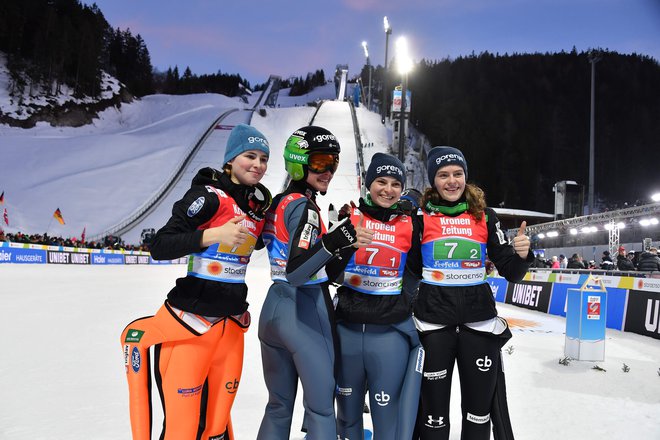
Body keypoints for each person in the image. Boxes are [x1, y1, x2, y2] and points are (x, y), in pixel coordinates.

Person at [120, 124, 272, 440]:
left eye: (263, 158)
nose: (257, 164)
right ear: (230, 160)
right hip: (191, 324)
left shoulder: (255, 208)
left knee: (216, 427)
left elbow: (260, 240)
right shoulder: (208, 197)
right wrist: (212, 235)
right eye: (250, 156)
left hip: (231, 327)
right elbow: (160, 245)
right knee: (183, 431)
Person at [409, 146, 533, 440]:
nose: (451, 181)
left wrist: (523, 255)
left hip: (478, 324)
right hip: (433, 325)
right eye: (443, 175)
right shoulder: (420, 218)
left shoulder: (485, 216)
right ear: (433, 181)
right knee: (432, 416)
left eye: (457, 173)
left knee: (479, 416)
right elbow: (410, 271)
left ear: (466, 176)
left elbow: (512, 272)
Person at [257, 126, 360, 440]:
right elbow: (298, 271)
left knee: (278, 406)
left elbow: (263, 245)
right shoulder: (306, 207)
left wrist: (339, 250)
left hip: (273, 307)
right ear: (299, 162)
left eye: (334, 163)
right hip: (304, 310)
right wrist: (335, 241)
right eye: (319, 163)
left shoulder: (279, 201)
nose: (328, 171)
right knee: (320, 409)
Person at [334, 153, 424, 440]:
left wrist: (403, 298)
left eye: (396, 183)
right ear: (369, 185)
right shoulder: (351, 218)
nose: (388, 189)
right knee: (347, 420)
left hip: (388, 333)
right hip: (347, 329)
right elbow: (329, 271)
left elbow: (419, 270)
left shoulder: (410, 224)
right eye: (381, 182)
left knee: (387, 419)